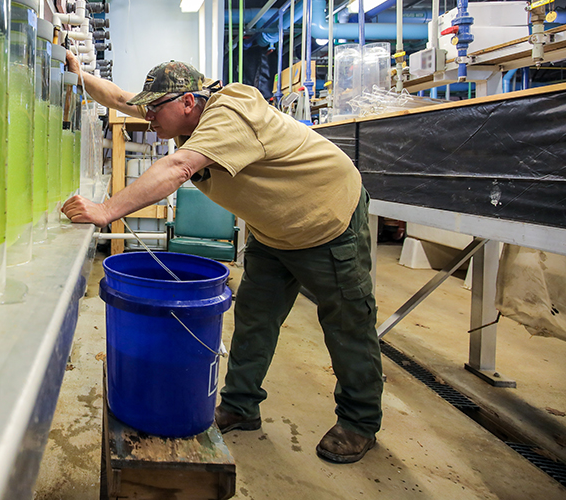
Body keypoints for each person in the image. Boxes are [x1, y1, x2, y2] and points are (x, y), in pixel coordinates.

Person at [62, 55, 383, 464]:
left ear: (188, 104)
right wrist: (79, 75)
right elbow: (122, 99)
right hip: (275, 228)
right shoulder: (181, 111)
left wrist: (106, 210)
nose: (149, 117)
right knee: (254, 316)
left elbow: (178, 167)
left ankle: (359, 421)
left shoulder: (231, 112)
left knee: (347, 321)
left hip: (326, 218)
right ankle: (241, 405)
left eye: (156, 109)